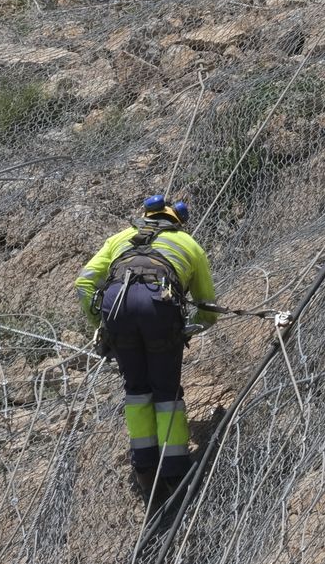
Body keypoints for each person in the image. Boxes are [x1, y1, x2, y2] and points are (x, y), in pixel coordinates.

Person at [74, 195, 218, 497]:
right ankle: (175, 471)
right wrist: (188, 328)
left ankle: (145, 470)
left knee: (137, 390)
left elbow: (83, 284)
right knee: (166, 391)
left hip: (117, 308)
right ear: (177, 221)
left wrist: (101, 325)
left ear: (147, 216)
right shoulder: (189, 244)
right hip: (158, 308)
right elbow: (208, 308)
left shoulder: (119, 238)